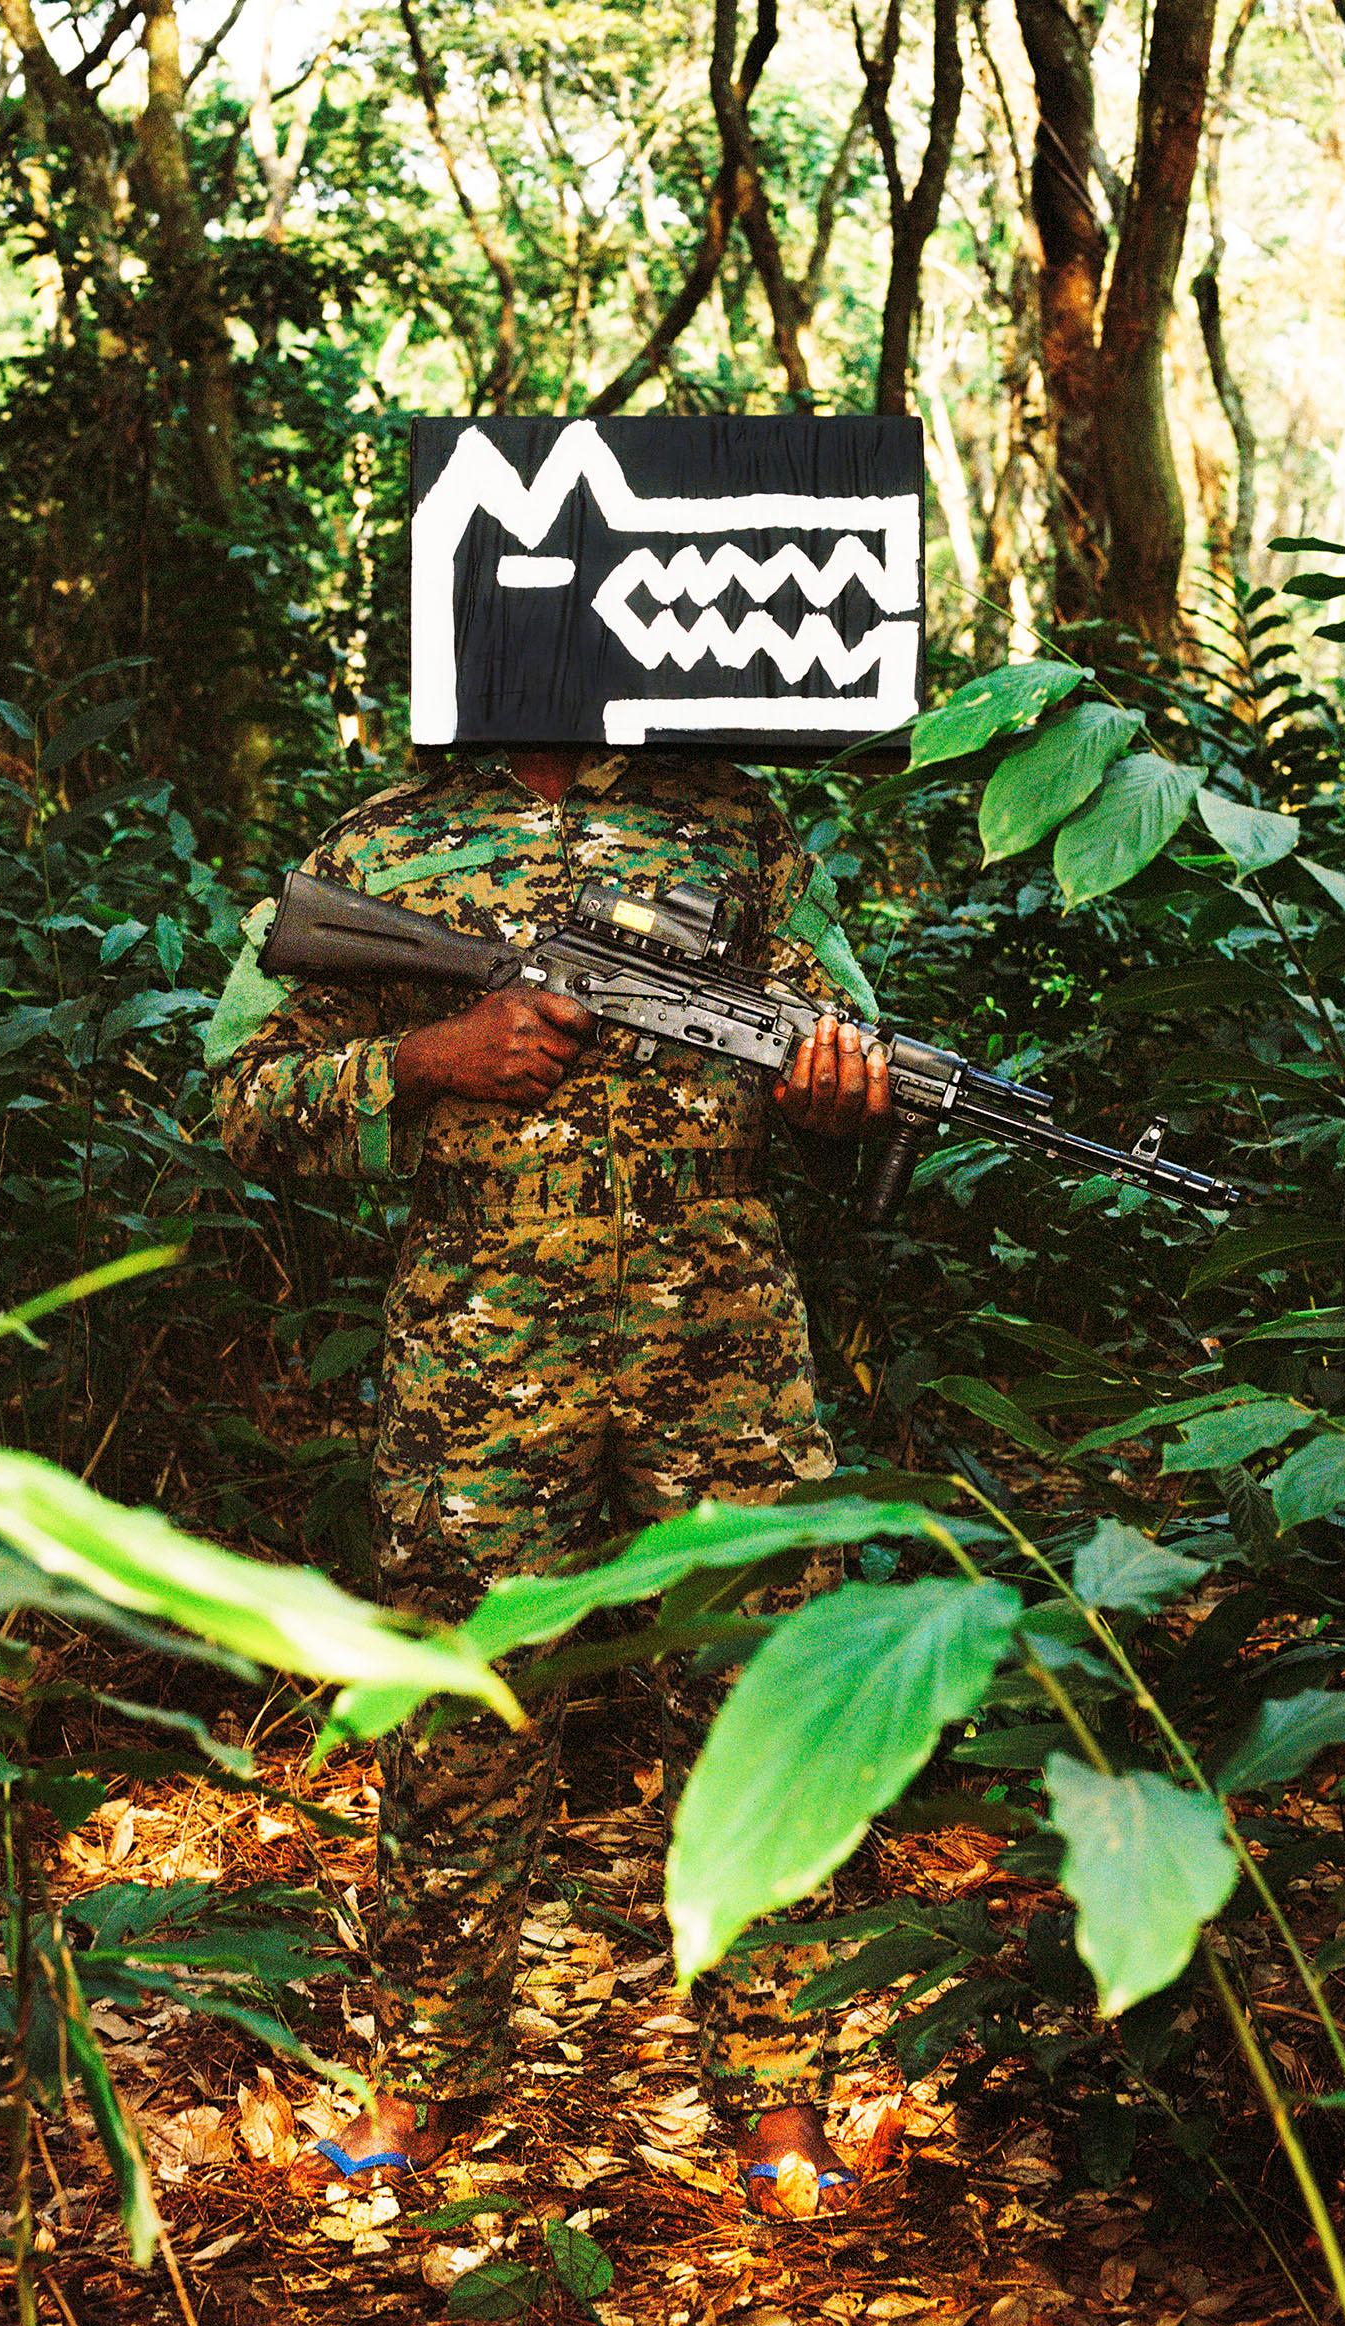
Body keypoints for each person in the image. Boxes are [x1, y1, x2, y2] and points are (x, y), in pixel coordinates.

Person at [210, 743, 891, 2219]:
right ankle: (421, 2080)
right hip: (481, 1319)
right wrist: (423, 1060)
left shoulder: (733, 820)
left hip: (723, 1318)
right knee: (467, 1699)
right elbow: (241, 1100)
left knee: (761, 1689)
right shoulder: (380, 838)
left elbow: (843, 1043)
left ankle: (778, 2101)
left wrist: (841, 1094)